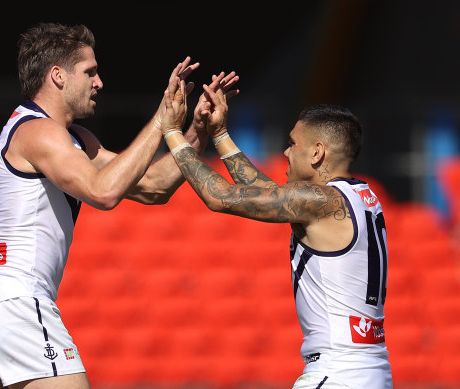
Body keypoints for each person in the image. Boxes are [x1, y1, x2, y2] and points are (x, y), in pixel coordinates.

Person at [0, 22, 239, 389]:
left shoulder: (71, 138)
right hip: (14, 302)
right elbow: (104, 192)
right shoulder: (39, 131)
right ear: (57, 76)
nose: (99, 83)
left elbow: (151, 187)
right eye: (90, 72)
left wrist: (197, 132)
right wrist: (162, 121)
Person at [160, 81, 392, 388]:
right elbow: (268, 194)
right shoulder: (360, 196)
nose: (286, 151)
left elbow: (221, 197)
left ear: (317, 153)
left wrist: (173, 133)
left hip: (337, 373)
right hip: (370, 368)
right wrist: (220, 135)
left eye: (294, 143)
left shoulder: (320, 200)